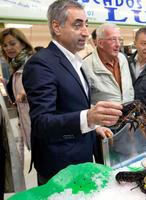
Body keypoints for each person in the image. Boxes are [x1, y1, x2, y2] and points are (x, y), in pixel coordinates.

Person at [22, 0, 122, 185]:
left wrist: (95, 125)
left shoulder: (74, 61)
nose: (85, 31)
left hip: (81, 158)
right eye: (77, 25)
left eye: (86, 24)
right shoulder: (41, 64)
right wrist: (89, 118)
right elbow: (42, 123)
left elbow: (70, 105)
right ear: (56, 27)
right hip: (59, 168)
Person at [0, 28, 34, 164]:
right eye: (4, 45)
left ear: (23, 43)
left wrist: (29, 94)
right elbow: (16, 100)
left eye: (12, 43)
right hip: (27, 126)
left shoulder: (33, 64)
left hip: (41, 128)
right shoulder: (15, 67)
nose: (8, 48)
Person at [82, 23, 134, 104]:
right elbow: (84, 102)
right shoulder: (86, 66)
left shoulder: (123, 58)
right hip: (104, 116)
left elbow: (129, 88)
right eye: (113, 39)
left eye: (119, 39)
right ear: (100, 43)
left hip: (129, 114)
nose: (118, 44)